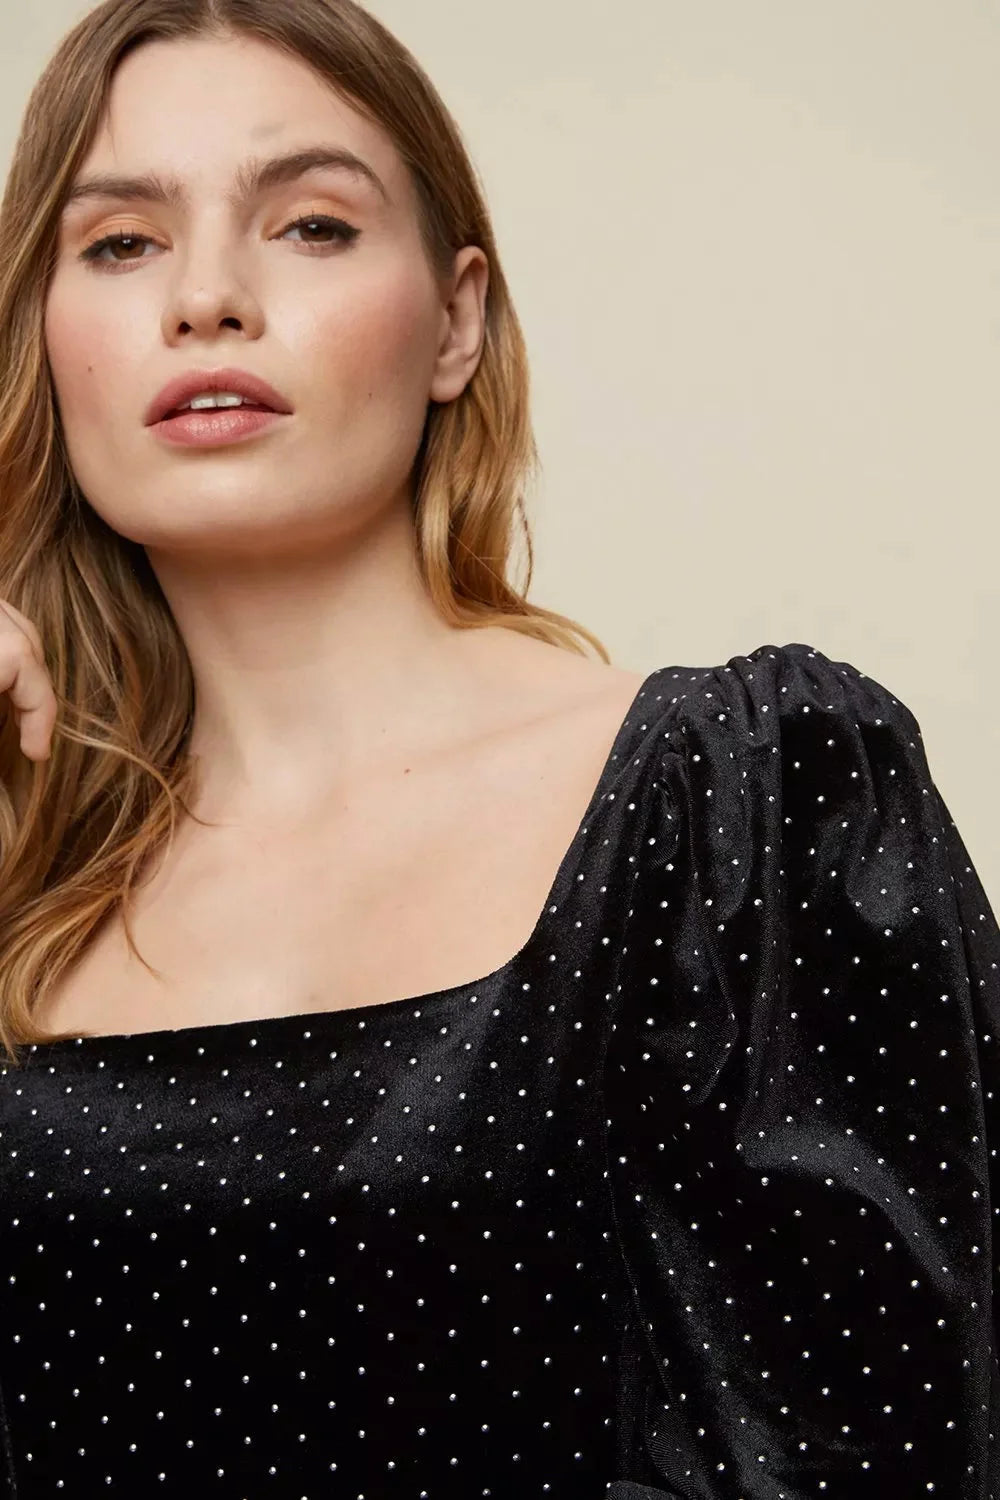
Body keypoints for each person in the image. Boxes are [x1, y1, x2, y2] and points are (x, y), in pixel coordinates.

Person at [0, 1, 995, 1495]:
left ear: (456, 320)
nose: (205, 299)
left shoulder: (742, 794)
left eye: (312, 225)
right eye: (122, 242)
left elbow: (897, 1445)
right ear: (42, 334)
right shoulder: (24, 866)